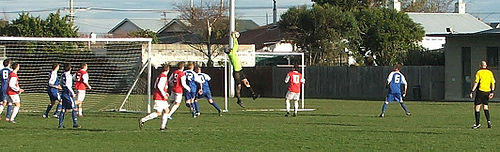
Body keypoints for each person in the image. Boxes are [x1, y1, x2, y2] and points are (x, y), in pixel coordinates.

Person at [225, 31, 259, 108]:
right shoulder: (232, 53)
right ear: (228, 50)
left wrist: (234, 37)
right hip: (236, 72)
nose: (230, 48)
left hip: (240, 70)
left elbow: (235, 46)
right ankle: (239, 100)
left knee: (246, 82)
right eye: (229, 48)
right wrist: (234, 38)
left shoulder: (232, 53)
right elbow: (236, 45)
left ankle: (253, 94)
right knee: (239, 86)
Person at [139, 64, 171, 131]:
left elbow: (155, 86)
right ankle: (143, 120)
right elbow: (159, 86)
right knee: (158, 113)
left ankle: (163, 127)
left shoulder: (160, 76)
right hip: (159, 97)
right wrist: (164, 94)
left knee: (166, 110)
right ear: (168, 69)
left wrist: (165, 93)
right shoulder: (163, 76)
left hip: (160, 97)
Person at [469, 61, 495, 129]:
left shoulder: (479, 72)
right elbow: (493, 83)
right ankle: (488, 121)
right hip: (488, 91)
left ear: (480, 65)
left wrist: (472, 91)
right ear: (486, 65)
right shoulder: (490, 73)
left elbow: (476, 82)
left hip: (480, 91)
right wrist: (492, 92)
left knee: (477, 107)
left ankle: (477, 124)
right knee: (485, 106)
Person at [58, 63, 80, 128]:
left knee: (63, 108)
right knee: (74, 107)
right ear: (70, 68)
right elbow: (68, 85)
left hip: (63, 93)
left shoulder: (62, 75)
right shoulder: (69, 76)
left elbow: (61, 83)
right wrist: (72, 93)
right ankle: (75, 124)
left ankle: (60, 125)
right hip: (68, 93)